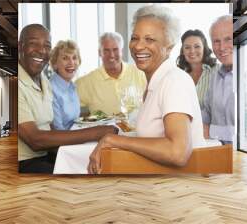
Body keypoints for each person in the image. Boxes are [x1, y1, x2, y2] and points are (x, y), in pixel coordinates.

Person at [88, 5, 205, 174]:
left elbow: (177, 152)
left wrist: (112, 140)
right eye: (135, 38)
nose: (138, 46)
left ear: (169, 47)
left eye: (149, 40)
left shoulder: (174, 81)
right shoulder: (156, 82)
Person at [18, 24, 118, 173]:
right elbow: (35, 140)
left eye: (46, 46)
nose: (41, 50)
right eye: (33, 44)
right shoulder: (18, 83)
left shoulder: (43, 79)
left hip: (47, 153)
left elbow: (50, 127)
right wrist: (97, 132)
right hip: (26, 162)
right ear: (20, 46)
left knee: (101, 164)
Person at [75, 32, 146, 116]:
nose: (111, 55)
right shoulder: (86, 82)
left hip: (138, 128)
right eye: (106, 50)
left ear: (121, 51)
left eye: (115, 49)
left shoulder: (140, 73)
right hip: (103, 129)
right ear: (99, 53)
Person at [201, 15, 234, 145]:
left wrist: (210, 131)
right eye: (216, 41)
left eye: (228, 39)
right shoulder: (215, 76)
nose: (221, 47)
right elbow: (206, 112)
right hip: (218, 154)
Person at [176, 29, 218, 109]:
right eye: (187, 47)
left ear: (204, 48)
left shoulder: (217, 71)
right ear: (183, 51)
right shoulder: (178, 75)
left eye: (197, 46)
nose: (192, 51)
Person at [49, 40, 81, 130]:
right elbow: (58, 130)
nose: (71, 62)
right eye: (65, 58)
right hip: (63, 142)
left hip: (73, 136)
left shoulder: (72, 86)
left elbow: (76, 121)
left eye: (74, 58)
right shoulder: (51, 89)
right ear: (55, 64)